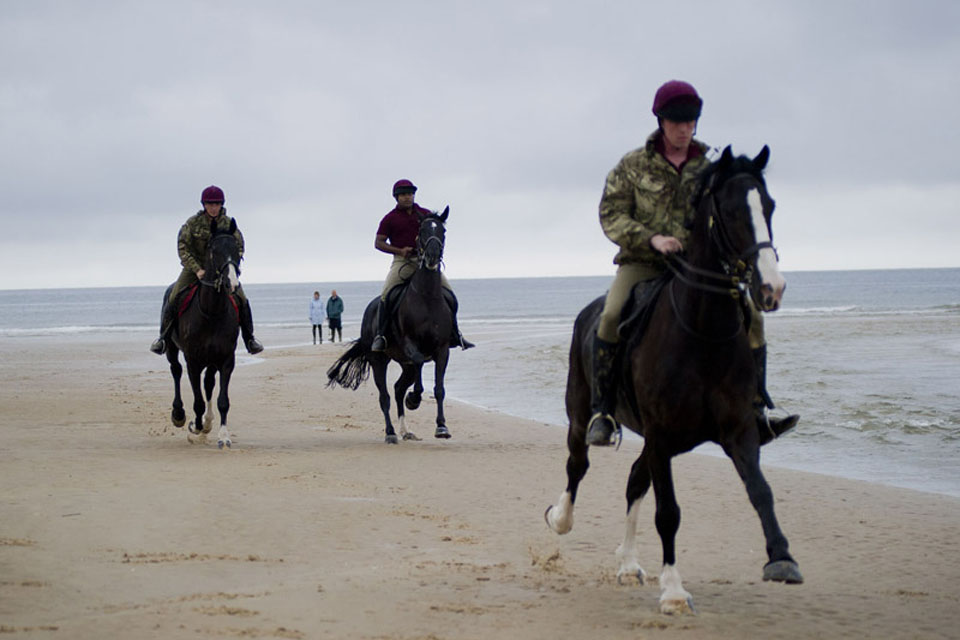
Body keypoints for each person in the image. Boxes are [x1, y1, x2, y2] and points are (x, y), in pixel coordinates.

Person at [585, 80, 798, 446]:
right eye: (677, 122)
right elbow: (611, 214)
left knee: (753, 316)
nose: (685, 129)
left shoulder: (709, 165)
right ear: (661, 122)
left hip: (699, 267)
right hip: (643, 262)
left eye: (691, 122)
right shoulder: (632, 165)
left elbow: (731, 208)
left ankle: (759, 405)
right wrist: (651, 238)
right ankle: (603, 411)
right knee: (610, 315)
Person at [149, 185, 264, 356]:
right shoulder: (192, 223)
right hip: (195, 269)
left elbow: (238, 247)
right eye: (210, 204)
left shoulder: (229, 224)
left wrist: (231, 265)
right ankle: (163, 338)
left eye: (216, 204)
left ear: (221, 205)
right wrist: (197, 269)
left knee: (242, 298)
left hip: (221, 270)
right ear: (204, 205)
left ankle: (250, 339)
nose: (213, 207)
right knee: (173, 297)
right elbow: (183, 248)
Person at [370, 179, 473, 352]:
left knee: (450, 295)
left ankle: (455, 334)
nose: (407, 197)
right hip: (402, 262)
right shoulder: (390, 219)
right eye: (403, 195)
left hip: (424, 262)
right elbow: (378, 243)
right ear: (396, 197)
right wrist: (399, 250)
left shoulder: (424, 214)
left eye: (410, 194)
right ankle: (381, 335)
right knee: (386, 294)